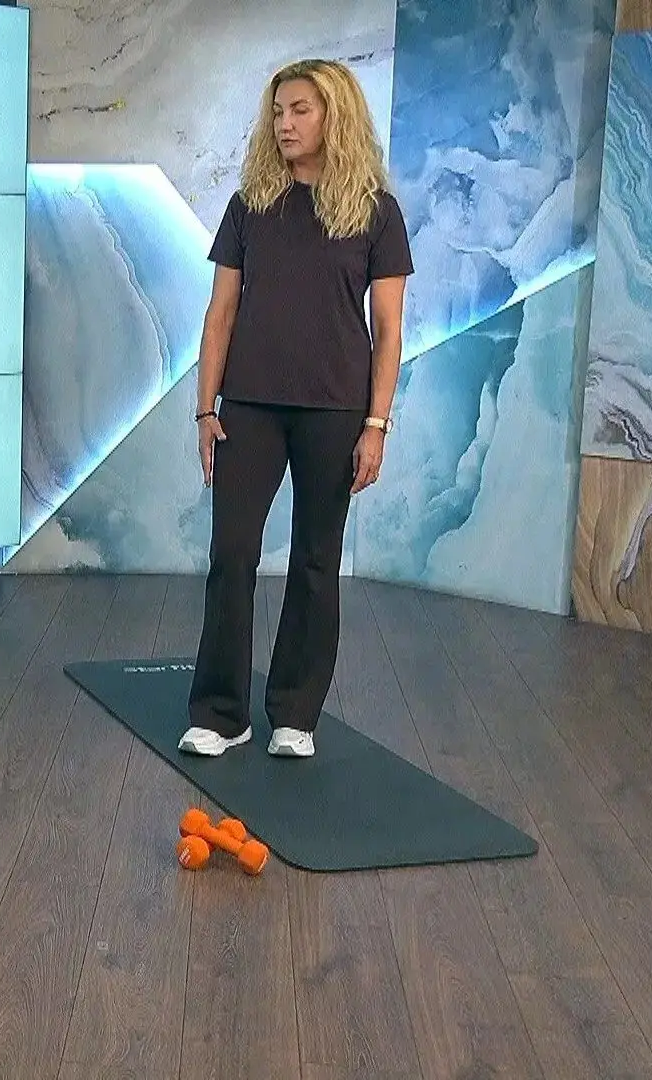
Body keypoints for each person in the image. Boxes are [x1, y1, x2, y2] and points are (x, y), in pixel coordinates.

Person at [180, 58, 413, 760]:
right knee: (232, 554)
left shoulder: (376, 212)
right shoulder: (249, 205)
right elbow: (220, 313)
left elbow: (389, 331)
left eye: (300, 109)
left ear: (333, 115)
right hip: (248, 406)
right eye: (278, 111)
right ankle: (222, 714)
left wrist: (376, 424)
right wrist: (205, 409)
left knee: (316, 559)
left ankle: (294, 713)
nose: (284, 123)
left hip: (335, 411)